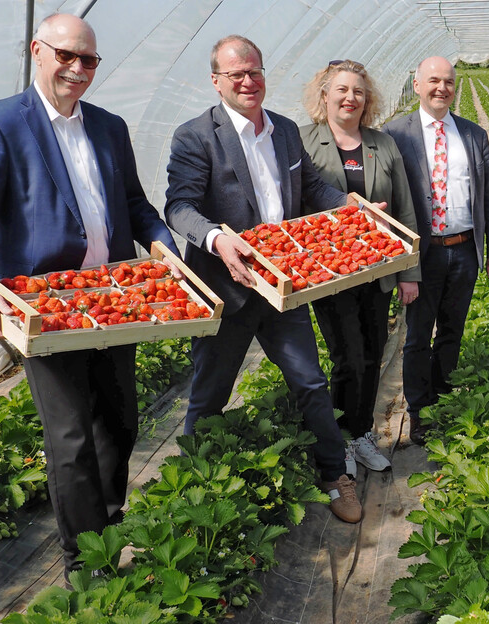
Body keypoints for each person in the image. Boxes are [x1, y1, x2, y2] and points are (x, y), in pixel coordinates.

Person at [0, 14, 179, 581]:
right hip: (45, 305)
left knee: (120, 422)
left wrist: (162, 244)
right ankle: (85, 564)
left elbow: (135, 204)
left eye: (88, 59)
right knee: (70, 437)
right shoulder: (0, 124)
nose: (77, 67)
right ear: (37, 50)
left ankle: (108, 528)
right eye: (66, 54)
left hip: (113, 297)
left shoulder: (109, 126)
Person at [164, 35, 362, 523]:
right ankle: (191, 492)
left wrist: (349, 205)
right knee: (209, 393)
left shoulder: (285, 131)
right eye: (237, 74)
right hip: (226, 288)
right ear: (217, 81)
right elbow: (179, 206)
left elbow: (311, 186)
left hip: (283, 285)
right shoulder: (196, 136)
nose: (248, 81)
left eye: (255, 71)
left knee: (310, 382)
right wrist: (217, 240)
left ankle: (334, 475)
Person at [300, 59, 419, 472]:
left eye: (358, 92)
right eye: (342, 90)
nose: (350, 98)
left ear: (368, 100)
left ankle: (362, 433)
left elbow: (403, 207)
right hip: (327, 272)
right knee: (346, 357)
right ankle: (340, 442)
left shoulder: (381, 144)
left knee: (372, 353)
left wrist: (409, 272)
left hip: (378, 268)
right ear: (324, 95)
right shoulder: (302, 141)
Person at [382, 56, 489, 443]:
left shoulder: (472, 134)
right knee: (417, 335)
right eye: (433, 80)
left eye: (449, 81)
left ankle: (443, 398)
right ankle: (419, 410)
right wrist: (401, 265)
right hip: (423, 253)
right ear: (417, 85)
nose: (442, 88)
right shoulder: (394, 133)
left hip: (464, 248)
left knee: (452, 330)